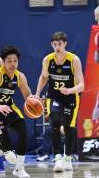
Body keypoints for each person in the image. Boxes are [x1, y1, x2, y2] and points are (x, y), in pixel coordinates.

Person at [35, 32, 84, 172]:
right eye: (55, 44)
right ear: (52, 45)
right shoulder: (47, 60)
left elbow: (82, 85)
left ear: (65, 44)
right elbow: (44, 77)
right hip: (54, 97)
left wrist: (69, 90)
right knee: (55, 122)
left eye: (60, 44)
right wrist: (38, 93)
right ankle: (57, 158)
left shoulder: (74, 60)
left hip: (70, 97)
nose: (57, 47)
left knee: (69, 128)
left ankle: (67, 158)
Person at [0, 45, 32, 177]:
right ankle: (4, 153)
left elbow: (28, 95)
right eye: (9, 61)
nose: (13, 64)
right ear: (3, 62)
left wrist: (34, 102)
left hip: (8, 108)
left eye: (15, 61)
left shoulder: (20, 76)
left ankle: (19, 169)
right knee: (7, 149)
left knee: (23, 130)